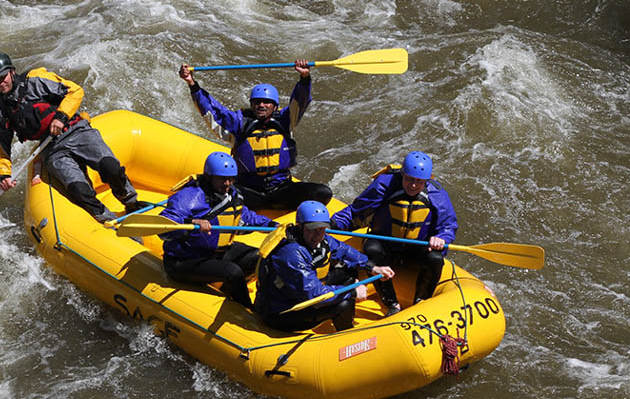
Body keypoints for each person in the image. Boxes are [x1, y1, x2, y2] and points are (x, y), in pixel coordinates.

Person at [0, 51, 145, 222]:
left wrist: (60, 117)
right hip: (52, 149)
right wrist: (4, 176)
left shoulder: (36, 80)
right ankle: (109, 220)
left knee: (110, 167)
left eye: (3, 77)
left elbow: (75, 91)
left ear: (12, 71)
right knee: (79, 189)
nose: (0, 83)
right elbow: (2, 149)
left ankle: (131, 202)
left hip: (76, 131)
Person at [177, 60, 332, 210]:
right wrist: (192, 83)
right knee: (211, 191)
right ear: (251, 104)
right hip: (249, 192)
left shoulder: (286, 120)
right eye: (257, 102)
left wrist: (305, 78)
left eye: (266, 102)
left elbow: (300, 100)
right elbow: (213, 111)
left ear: (275, 106)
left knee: (322, 193)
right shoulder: (239, 123)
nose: (261, 105)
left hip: (281, 190)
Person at [330, 150, 457, 312]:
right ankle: (391, 303)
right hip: (385, 247)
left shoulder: (436, 194)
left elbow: (448, 225)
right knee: (371, 249)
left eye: (419, 182)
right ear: (403, 174)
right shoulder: (385, 185)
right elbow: (357, 212)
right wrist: (333, 224)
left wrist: (442, 238)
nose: (413, 185)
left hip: (415, 251)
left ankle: (421, 302)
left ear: (427, 180)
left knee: (435, 258)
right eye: (410, 179)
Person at [254, 201, 394, 332]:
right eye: (312, 230)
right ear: (299, 226)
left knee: (348, 274)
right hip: (282, 311)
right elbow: (313, 295)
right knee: (343, 304)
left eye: (321, 229)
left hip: (301, 294)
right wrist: (352, 292)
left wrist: (372, 267)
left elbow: (343, 250)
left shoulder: (320, 238)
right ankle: (347, 336)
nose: (317, 235)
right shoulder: (290, 254)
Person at [160, 152, 276, 308]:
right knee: (233, 272)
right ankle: (246, 308)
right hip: (185, 260)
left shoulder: (232, 195)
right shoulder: (189, 197)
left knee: (262, 259)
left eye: (231, 179)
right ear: (209, 177)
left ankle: (231, 290)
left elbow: (248, 216)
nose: (227, 183)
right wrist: (191, 222)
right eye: (222, 179)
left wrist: (273, 226)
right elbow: (164, 226)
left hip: (216, 254)